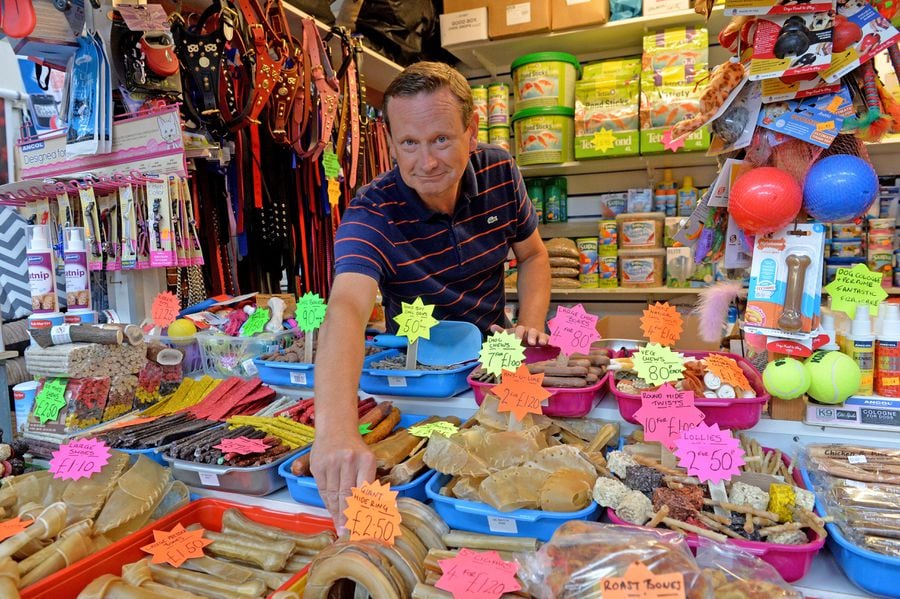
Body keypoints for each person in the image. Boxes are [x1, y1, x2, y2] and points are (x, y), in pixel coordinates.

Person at [310, 61, 551, 527]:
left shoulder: (501, 171)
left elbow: (534, 256)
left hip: (492, 366)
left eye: (441, 139)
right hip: (419, 377)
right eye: (409, 143)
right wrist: (336, 431)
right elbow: (346, 306)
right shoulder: (372, 210)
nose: (427, 162)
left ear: (471, 132)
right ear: (392, 143)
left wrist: (532, 322)